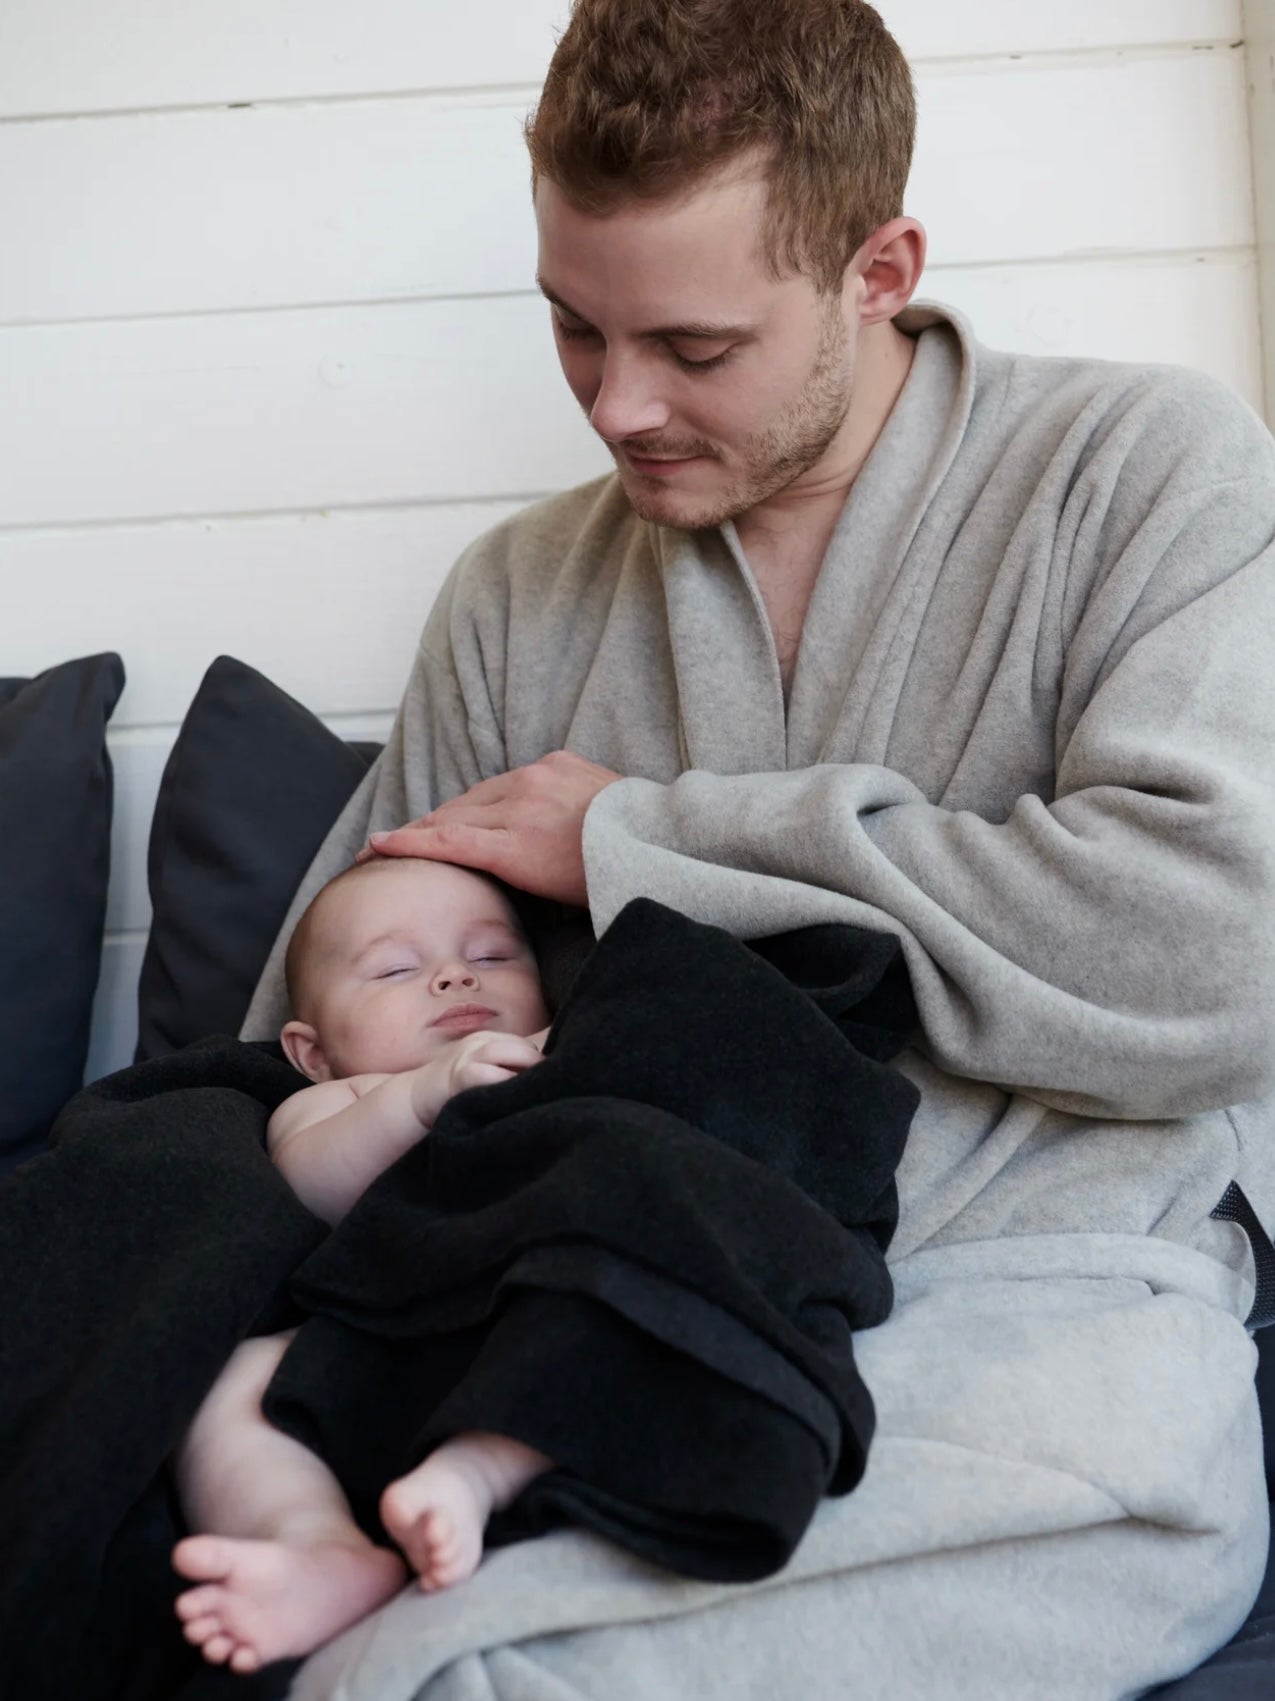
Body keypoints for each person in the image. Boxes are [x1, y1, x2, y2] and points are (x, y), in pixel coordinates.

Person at [243, 1, 1275, 1694]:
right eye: (573, 327)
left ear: (879, 270)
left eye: (694, 347)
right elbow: (320, 1030)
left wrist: (645, 841)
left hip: (1039, 1321)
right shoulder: (516, 599)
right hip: (604, 1328)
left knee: (442, 1680)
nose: (617, 404)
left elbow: (1218, 962)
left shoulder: (1144, 474)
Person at [174, 857, 556, 1674]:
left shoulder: (556, 1057)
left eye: (491, 955)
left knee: (607, 1324)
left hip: (523, 1308)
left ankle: (476, 1475)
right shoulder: (333, 1099)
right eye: (395, 969)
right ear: (313, 1052)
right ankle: (312, 1542)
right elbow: (311, 1188)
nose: (455, 975)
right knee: (227, 1383)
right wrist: (418, 1096)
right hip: (361, 1336)